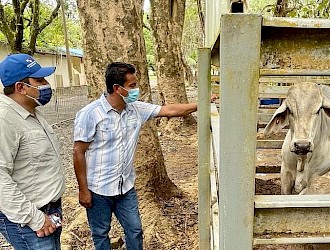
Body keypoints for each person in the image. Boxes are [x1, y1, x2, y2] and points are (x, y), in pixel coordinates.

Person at [73, 62, 202, 250]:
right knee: (100, 234)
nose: (137, 89)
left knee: (135, 230)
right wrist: (83, 190)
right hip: (98, 189)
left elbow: (171, 110)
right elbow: (78, 151)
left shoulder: (136, 109)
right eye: (132, 86)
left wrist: (202, 103)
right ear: (117, 88)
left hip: (126, 187)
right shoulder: (90, 114)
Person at [0, 54, 65, 250]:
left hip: (48, 211)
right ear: (20, 87)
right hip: (30, 221)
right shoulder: (5, 120)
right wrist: (35, 219)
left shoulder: (31, 111)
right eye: (39, 80)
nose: (46, 85)